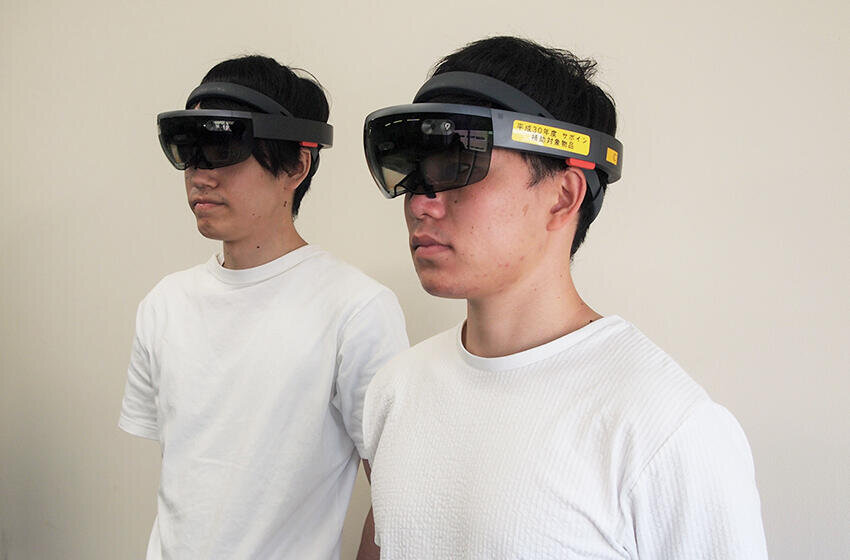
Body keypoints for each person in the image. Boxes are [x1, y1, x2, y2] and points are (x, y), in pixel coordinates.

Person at [361, 36, 768, 559]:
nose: (421, 203)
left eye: (457, 165)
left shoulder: (664, 426)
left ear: (563, 196)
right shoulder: (397, 389)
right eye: (415, 173)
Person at [119, 55, 407, 559]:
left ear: (296, 165)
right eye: (188, 151)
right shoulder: (164, 304)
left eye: (222, 148)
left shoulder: (355, 310)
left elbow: (399, 494)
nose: (200, 175)